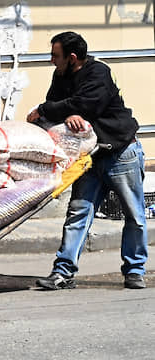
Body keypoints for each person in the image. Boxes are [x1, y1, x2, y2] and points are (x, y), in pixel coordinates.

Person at [27, 31, 147, 290]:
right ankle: (63, 272)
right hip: (89, 158)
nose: (51, 60)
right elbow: (55, 103)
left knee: (134, 215)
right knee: (78, 213)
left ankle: (135, 271)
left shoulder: (98, 73)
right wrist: (64, 111)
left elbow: (85, 105)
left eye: (55, 56)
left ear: (72, 57)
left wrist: (58, 110)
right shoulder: (60, 75)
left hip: (120, 154)